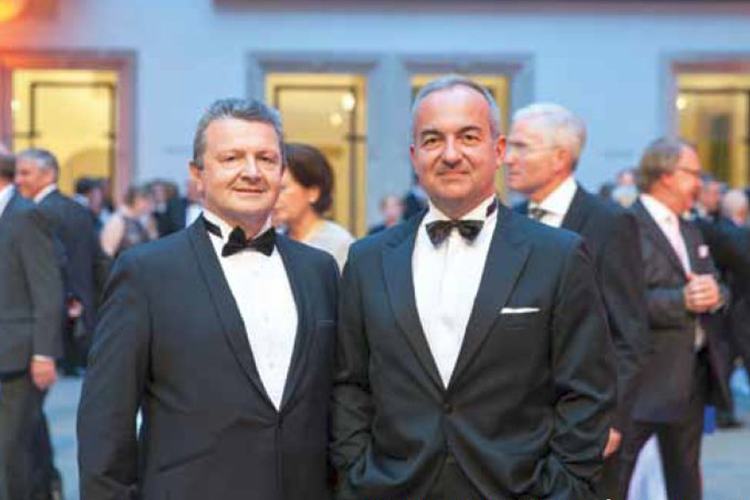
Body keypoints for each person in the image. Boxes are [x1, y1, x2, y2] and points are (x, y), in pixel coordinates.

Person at [331, 75, 615, 500]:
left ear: (497, 150)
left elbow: (587, 390)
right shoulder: (367, 259)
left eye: (468, 137)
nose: (451, 154)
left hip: (519, 490)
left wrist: (564, 486)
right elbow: (349, 383)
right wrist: (359, 472)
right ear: (414, 155)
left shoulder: (558, 255)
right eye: (432, 140)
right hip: (393, 489)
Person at [77, 98, 340, 500]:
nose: (251, 172)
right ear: (197, 174)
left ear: (281, 171)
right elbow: (106, 419)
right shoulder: (146, 272)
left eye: (266, 159)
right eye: (232, 158)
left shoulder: (319, 269)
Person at [505, 103, 649, 500]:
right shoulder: (506, 219)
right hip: (512, 427)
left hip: (582, 424)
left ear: (560, 157)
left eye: (521, 147)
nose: (507, 158)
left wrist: (613, 421)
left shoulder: (609, 223)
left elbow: (629, 333)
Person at [622, 137, 732, 500]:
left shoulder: (689, 227)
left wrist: (717, 294)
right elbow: (618, 303)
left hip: (691, 375)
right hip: (644, 377)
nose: (700, 182)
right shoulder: (626, 225)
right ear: (666, 175)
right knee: (616, 476)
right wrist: (680, 300)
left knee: (685, 478)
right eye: (693, 173)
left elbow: (715, 282)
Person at [0, 149, 64, 500]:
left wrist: (43, 353)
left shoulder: (26, 215)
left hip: (20, 353)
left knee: (9, 452)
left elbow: (46, 287)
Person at [15, 148, 111, 374]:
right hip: (79, 313)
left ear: (48, 174)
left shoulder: (33, 212)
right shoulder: (78, 209)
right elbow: (98, 261)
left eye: (25, 173)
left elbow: (52, 264)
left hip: (45, 321)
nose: (18, 180)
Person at [273, 142, 354, 270]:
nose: (274, 197)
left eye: (283, 188)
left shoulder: (338, 243)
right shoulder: (274, 240)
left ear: (313, 193)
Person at [99, 185, 157, 257]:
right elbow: (107, 252)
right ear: (133, 199)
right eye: (145, 200)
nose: (149, 205)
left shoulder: (141, 220)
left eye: (151, 201)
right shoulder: (118, 220)